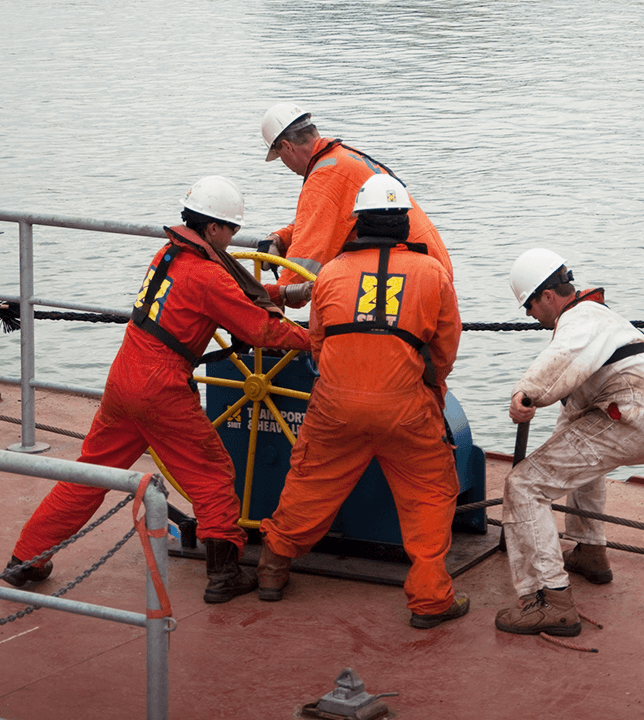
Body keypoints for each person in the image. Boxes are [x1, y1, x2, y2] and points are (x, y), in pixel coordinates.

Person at [2, 176, 311, 604]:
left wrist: (288, 292)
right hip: (162, 388)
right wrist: (320, 340)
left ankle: (26, 559)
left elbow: (232, 293)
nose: (235, 236)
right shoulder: (207, 273)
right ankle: (224, 575)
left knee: (90, 475)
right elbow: (258, 326)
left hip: (125, 377)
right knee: (212, 474)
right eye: (232, 229)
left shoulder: (167, 254)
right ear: (215, 229)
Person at [257, 174, 467, 629]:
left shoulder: (330, 273)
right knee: (430, 493)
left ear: (357, 223)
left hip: (334, 408)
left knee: (310, 483)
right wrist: (428, 390)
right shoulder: (433, 274)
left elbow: (316, 343)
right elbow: (445, 348)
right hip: (406, 410)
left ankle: (272, 569)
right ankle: (430, 600)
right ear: (404, 223)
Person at [494, 249, 644, 637]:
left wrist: (523, 396)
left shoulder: (578, 317)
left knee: (524, 486)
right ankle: (589, 550)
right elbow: (573, 401)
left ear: (546, 296)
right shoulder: (602, 315)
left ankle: (549, 600)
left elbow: (560, 359)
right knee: (574, 441)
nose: (530, 316)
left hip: (631, 414)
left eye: (528, 306)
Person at [258, 102, 453, 308]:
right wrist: (279, 238)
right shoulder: (344, 159)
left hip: (410, 278)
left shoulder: (325, 176)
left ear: (287, 147)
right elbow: (319, 219)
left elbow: (304, 265)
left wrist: (274, 295)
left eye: (280, 157)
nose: (286, 165)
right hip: (429, 271)